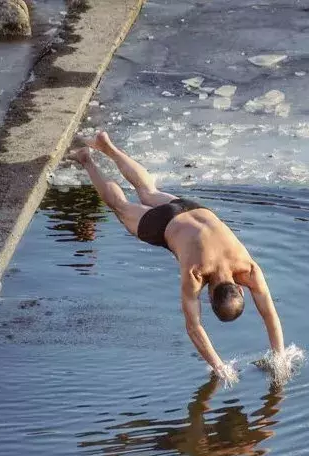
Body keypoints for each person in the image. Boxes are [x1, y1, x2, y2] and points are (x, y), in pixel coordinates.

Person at [69, 132, 284, 382]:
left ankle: (108, 147)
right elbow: (194, 328)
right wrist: (220, 367)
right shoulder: (196, 274)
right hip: (163, 226)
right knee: (120, 206)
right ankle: (86, 159)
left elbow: (270, 313)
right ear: (210, 295)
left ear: (240, 289)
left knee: (148, 191)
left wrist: (278, 354)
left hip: (193, 209)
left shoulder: (249, 269)